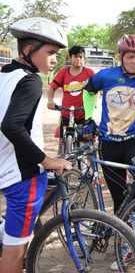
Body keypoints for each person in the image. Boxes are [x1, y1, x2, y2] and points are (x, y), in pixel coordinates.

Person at [81, 35, 135, 253]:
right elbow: (88, 91)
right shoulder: (105, 76)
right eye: (130, 57)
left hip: (134, 140)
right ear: (121, 57)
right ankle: (125, 243)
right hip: (108, 142)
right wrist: (89, 118)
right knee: (119, 196)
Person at [0, 17, 72, 273]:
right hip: (21, 175)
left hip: (4, 167)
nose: (55, 59)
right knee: (15, 248)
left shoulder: (5, 75)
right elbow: (11, 126)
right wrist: (47, 160)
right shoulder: (30, 80)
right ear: (29, 51)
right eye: (50, 53)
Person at [47, 45, 95, 151]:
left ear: (84, 59)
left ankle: (92, 168)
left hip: (84, 113)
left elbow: (97, 91)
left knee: (87, 143)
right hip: (66, 112)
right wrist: (50, 100)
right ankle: (61, 166)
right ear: (70, 58)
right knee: (61, 142)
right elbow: (52, 87)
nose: (78, 59)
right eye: (75, 56)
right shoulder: (63, 72)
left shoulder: (89, 73)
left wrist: (95, 102)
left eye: (80, 57)